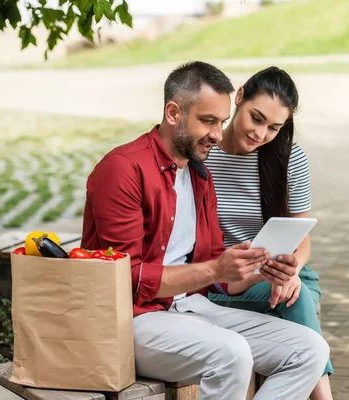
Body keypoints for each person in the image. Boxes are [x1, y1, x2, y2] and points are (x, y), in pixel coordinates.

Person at [81, 61, 329, 400]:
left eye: (221, 122)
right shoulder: (123, 169)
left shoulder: (199, 176)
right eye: (208, 121)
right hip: (132, 319)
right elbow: (126, 278)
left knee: (310, 350)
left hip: (188, 308)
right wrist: (215, 268)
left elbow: (219, 277)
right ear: (173, 113)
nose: (216, 133)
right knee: (231, 354)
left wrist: (261, 272)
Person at [205, 66, 334, 400]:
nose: (261, 134)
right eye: (256, 118)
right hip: (224, 280)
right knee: (293, 298)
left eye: (274, 127)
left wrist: (290, 268)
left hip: (280, 270)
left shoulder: (289, 158)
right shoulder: (204, 156)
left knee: (293, 290)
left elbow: (301, 237)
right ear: (240, 96)